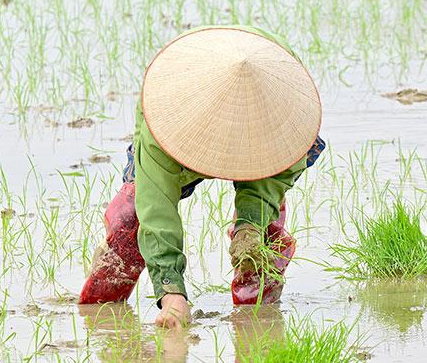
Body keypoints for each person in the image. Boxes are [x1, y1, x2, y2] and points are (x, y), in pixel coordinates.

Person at [78, 25, 325, 329]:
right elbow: (157, 207)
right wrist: (171, 294)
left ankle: (257, 318)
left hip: (262, 114)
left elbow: (276, 174)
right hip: (182, 128)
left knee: (259, 240)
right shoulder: (165, 114)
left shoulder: (286, 109)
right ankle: (101, 314)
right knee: (130, 220)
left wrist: (252, 222)